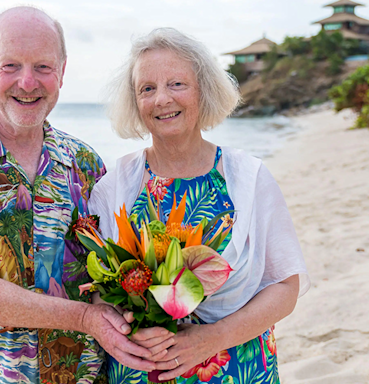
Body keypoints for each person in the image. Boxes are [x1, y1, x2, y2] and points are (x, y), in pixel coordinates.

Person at [0, 6, 157, 383]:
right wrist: (87, 318)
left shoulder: (85, 164)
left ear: (62, 72)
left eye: (42, 67)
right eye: (10, 66)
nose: (27, 82)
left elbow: (110, 274)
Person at [89, 28, 310, 383]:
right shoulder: (115, 186)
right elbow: (101, 292)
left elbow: (285, 287)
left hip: (237, 365)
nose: (162, 99)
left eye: (177, 84)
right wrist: (127, 330)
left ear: (203, 91)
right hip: (145, 368)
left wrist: (212, 339)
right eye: (147, 89)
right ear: (134, 102)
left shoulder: (249, 178)